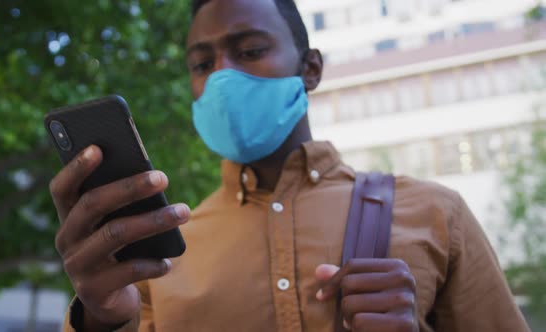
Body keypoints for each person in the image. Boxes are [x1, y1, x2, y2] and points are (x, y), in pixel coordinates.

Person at [51, 0, 531, 331]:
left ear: (310, 68)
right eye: (202, 64)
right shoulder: (160, 256)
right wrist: (100, 319)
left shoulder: (436, 213)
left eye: (250, 51)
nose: (222, 76)